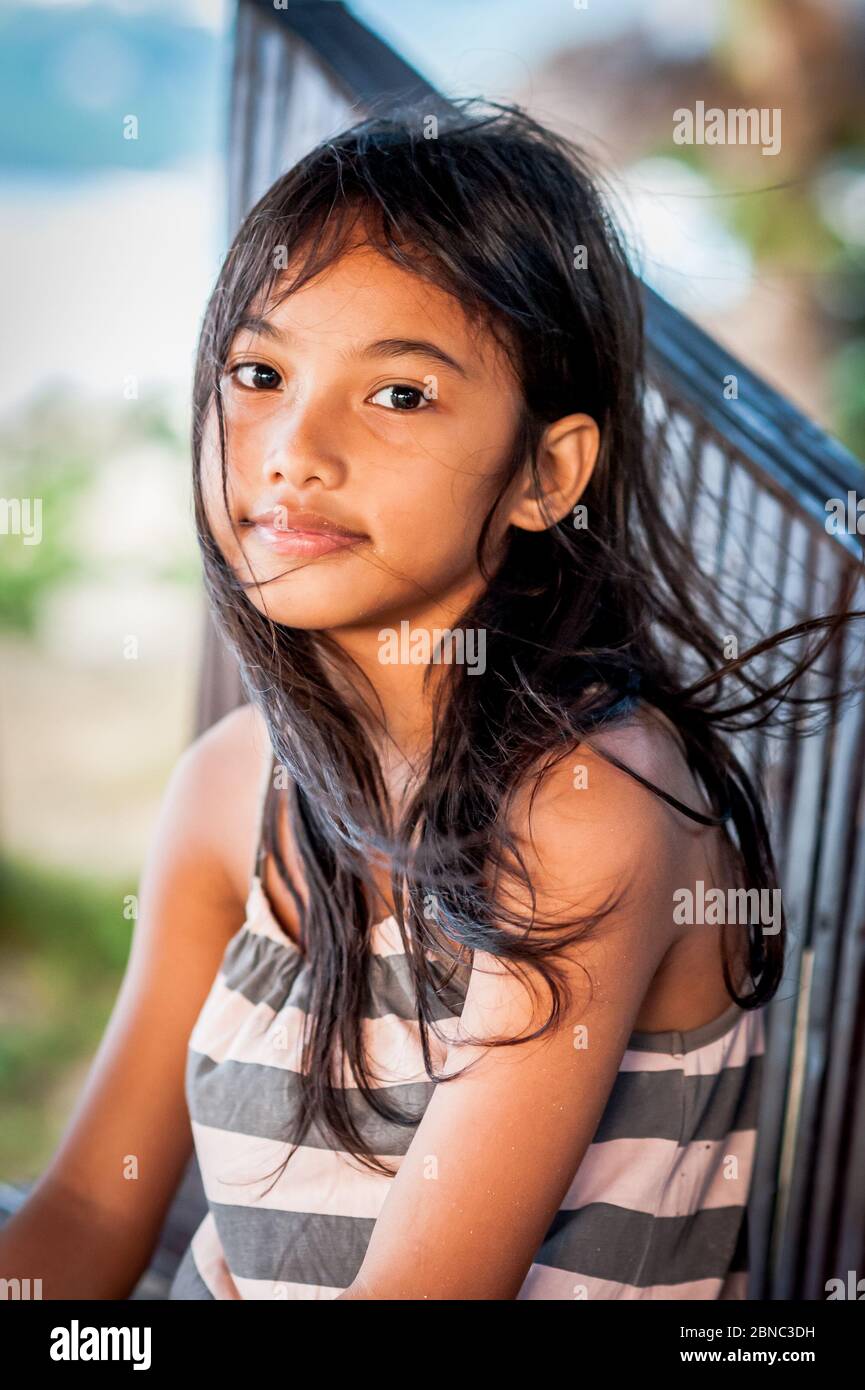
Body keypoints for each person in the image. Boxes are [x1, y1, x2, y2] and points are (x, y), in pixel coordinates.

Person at [2, 99, 859, 1300]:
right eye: (259, 373)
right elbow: (92, 1203)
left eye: (399, 395)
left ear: (543, 473)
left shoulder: (587, 801)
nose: (293, 448)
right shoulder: (231, 783)